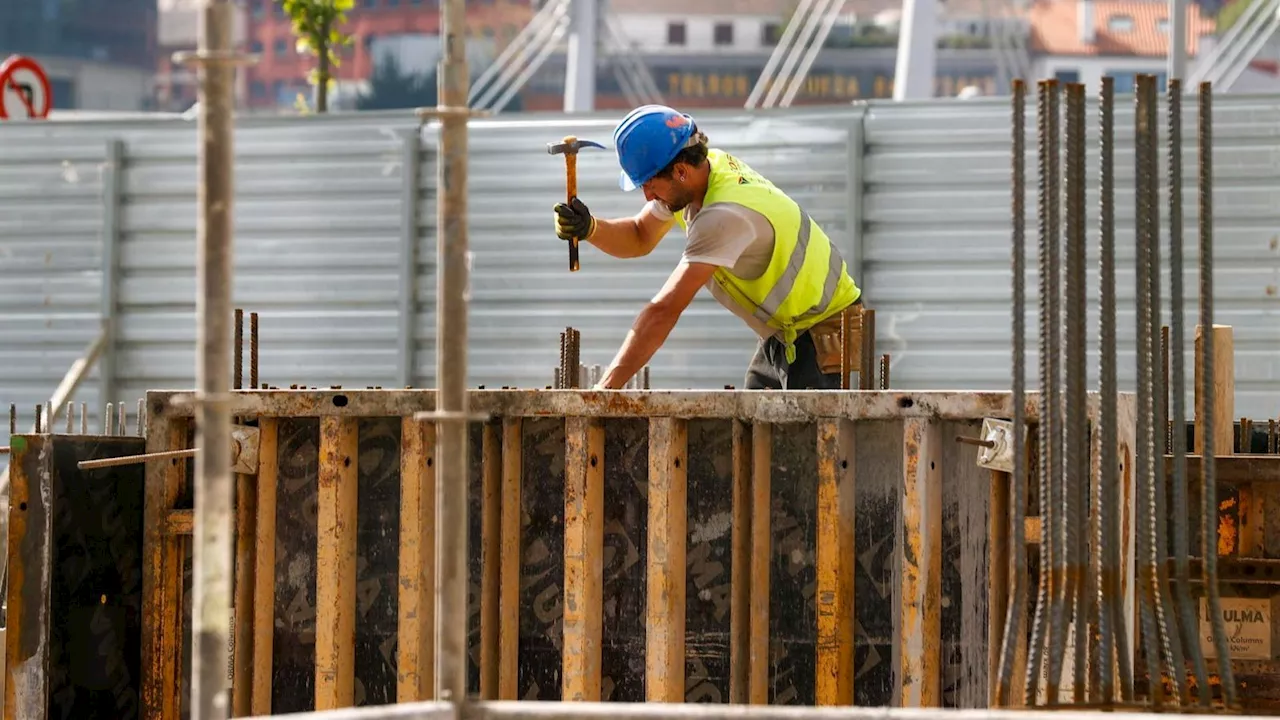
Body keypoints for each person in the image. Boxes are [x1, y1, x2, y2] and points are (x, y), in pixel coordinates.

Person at [553, 104, 863, 391]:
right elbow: (639, 235)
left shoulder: (723, 214)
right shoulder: (701, 174)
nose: (648, 196)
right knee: (755, 436)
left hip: (828, 339)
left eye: (649, 184)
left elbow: (663, 311)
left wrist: (603, 392)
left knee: (810, 448)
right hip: (786, 335)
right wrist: (589, 227)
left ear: (680, 172)